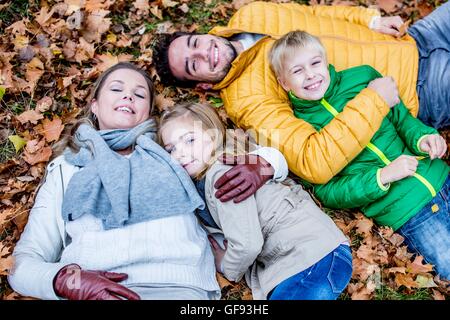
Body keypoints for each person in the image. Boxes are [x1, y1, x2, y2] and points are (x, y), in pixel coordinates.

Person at [7, 62, 284, 300]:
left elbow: (235, 149)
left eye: (139, 94)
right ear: (95, 105)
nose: (128, 96)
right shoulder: (67, 168)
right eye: (116, 89)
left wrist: (265, 164)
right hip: (96, 290)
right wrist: (65, 281)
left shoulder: (174, 153)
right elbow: (24, 263)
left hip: (180, 288)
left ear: (148, 111)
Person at [153, 1, 450, 188]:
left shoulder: (250, 14)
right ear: (202, 86)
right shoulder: (246, 102)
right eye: (195, 64)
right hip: (416, 87)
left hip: (416, 36)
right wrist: (375, 100)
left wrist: (367, 20)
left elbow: (312, 14)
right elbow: (313, 160)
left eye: (195, 43)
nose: (206, 52)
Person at [269, 30, 450, 279]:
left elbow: (402, 119)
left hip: (440, 175)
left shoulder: (362, 78)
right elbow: (328, 192)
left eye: (315, 63)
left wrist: (424, 138)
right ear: (284, 83)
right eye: (297, 71)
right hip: (409, 211)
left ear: (325, 59)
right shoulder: (300, 129)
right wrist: (381, 177)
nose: (311, 75)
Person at [159, 102, 353, 300]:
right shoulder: (211, 175)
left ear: (213, 134)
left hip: (310, 256)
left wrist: (227, 265)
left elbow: (247, 244)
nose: (180, 153)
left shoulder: (223, 175)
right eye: (171, 149)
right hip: (309, 258)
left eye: (190, 140)